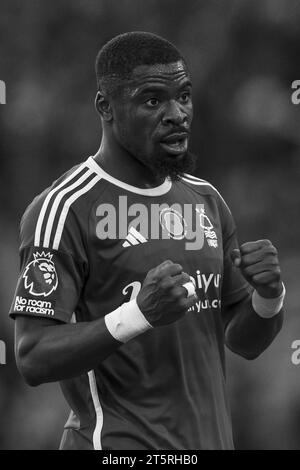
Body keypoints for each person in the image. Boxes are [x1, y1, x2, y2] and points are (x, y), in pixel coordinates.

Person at [10, 31, 285, 450]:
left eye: (185, 96)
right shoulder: (65, 207)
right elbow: (32, 356)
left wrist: (268, 298)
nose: (178, 114)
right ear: (106, 107)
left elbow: (242, 342)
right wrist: (137, 314)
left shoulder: (207, 200)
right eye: (153, 100)